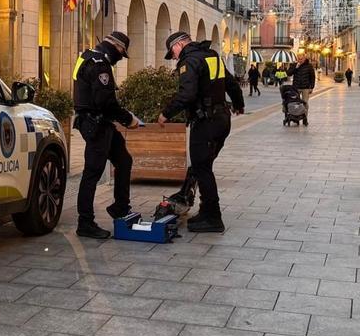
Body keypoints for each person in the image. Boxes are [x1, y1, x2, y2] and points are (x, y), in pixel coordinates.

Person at [157, 31, 244, 233]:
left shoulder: (190, 61)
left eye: (173, 53)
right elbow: (231, 83)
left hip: (205, 122)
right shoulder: (211, 56)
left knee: (202, 168)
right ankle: (206, 210)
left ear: (178, 45)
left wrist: (165, 113)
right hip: (222, 119)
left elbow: (187, 94)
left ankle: (213, 217)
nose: (175, 57)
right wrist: (239, 104)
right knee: (203, 167)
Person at [72, 31, 141, 239]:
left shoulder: (88, 56)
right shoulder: (100, 63)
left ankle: (120, 207)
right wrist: (128, 119)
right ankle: (85, 222)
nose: (121, 56)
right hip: (96, 124)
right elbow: (105, 101)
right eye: (122, 52)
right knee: (92, 173)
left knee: (124, 160)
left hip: (100, 123)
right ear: (116, 47)